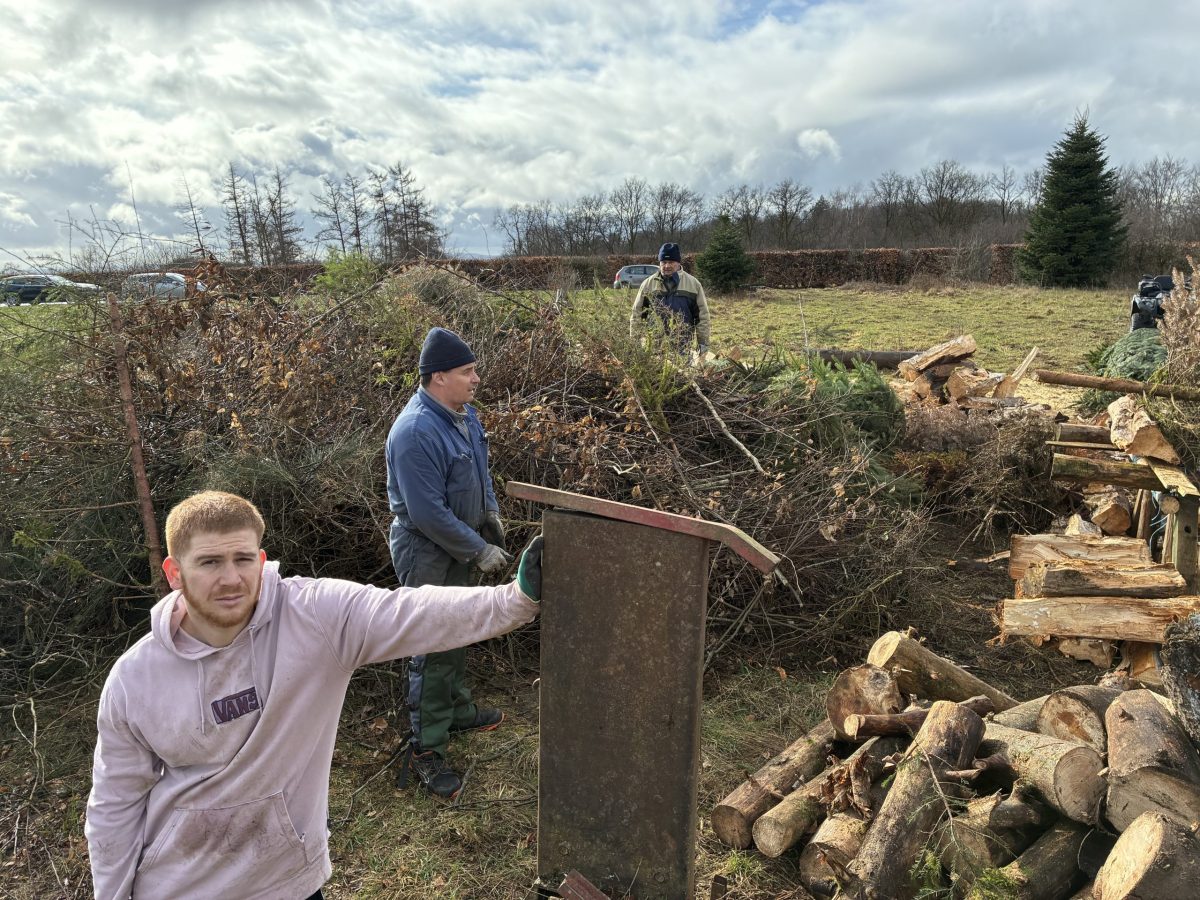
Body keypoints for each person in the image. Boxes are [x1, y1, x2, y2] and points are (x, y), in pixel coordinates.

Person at [85, 489, 543, 900]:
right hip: (180, 887)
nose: (231, 579)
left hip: (287, 880)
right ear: (174, 572)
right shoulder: (134, 679)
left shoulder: (314, 619)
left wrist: (516, 599)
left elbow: (410, 611)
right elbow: (115, 805)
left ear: (261, 560)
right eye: (209, 562)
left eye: (243, 559)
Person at [385, 327, 511, 798]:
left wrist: (490, 514)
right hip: (427, 551)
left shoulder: (463, 416)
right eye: (467, 371)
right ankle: (426, 746)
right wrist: (478, 549)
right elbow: (426, 513)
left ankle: (454, 711)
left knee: (458, 631)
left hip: (459, 543)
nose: (476, 379)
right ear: (438, 376)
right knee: (431, 644)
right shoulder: (415, 432)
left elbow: (481, 471)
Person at [629, 242, 711, 356]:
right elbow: (637, 314)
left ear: (678, 262)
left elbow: (702, 317)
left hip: (682, 347)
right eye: (664, 262)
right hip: (654, 347)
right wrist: (634, 341)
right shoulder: (648, 284)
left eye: (671, 262)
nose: (667, 266)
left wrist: (703, 343)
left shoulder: (693, 284)